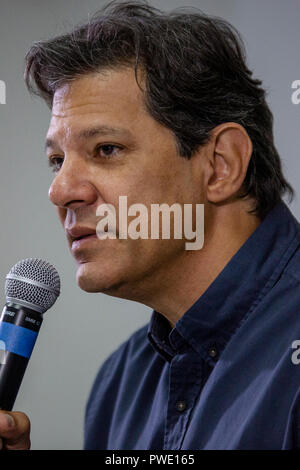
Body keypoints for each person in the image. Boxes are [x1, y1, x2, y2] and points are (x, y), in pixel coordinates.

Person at [1, 0, 300, 450]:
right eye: (56, 161)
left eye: (106, 149)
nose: (60, 191)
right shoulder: (118, 385)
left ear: (220, 166)